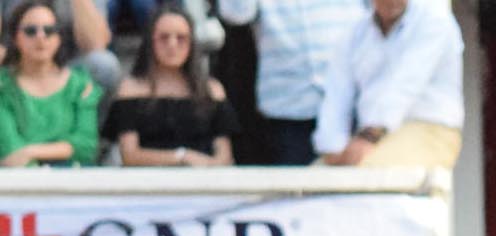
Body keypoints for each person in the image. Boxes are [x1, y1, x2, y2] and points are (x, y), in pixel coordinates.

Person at [313, 0, 460, 168]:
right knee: (306, 186)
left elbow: (404, 84)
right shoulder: (356, 31)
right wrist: (332, 147)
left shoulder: (433, 19)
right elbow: (337, 94)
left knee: (364, 178)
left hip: (428, 130)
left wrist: (370, 135)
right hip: (368, 136)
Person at [102, 4, 235, 165]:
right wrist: (181, 157)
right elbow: (129, 155)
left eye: (181, 38)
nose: (172, 45)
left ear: (192, 43)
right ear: (151, 42)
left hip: (204, 181)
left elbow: (224, 155)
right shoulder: (130, 89)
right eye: (164, 37)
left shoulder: (212, 90)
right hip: (147, 183)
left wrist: (204, 166)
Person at [248, 0, 358, 164]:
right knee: (293, 184)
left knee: (355, 184)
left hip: (350, 103)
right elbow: (236, 14)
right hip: (289, 106)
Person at [0, 1, 102, 166]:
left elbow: (86, 146)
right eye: (30, 31)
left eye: (49, 30)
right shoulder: (3, 86)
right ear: (15, 37)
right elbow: (10, 152)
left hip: (73, 181)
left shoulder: (79, 85)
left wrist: (30, 151)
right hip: (20, 184)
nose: (41, 37)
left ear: (59, 38)